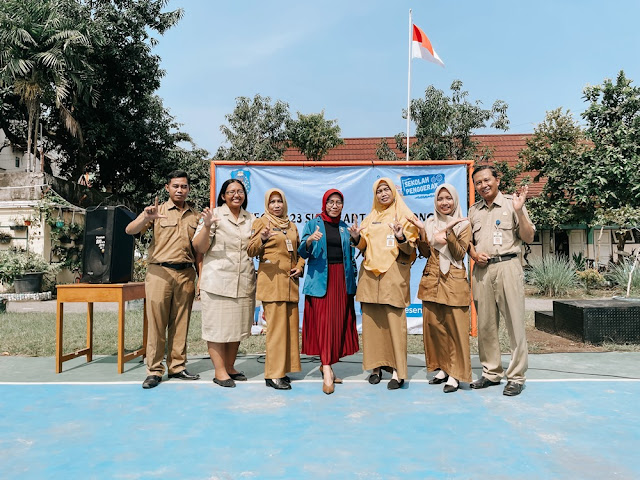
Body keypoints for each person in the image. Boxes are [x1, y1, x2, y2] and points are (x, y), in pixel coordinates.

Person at [125, 170, 201, 389]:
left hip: (186, 273)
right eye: (175, 186)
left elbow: (199, 251)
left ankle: (177, 366)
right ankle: (154, 370)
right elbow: (130, 230)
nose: (180, 190)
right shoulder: (155, 211)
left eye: (184, 186)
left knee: (181, 322)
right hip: (160, 272)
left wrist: (200, 277)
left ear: (188, 189)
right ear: (167, 188)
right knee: (157, 323)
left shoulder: (194, 216)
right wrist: (144, 218)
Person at [468, 165, 535, 397]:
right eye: (478, 182)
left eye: (487, 180)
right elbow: (468, 242)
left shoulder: (512, 203)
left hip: (508, 266)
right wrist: (474, 254)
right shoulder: (473, 211)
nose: (483, 185)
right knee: (485, 325)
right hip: (482, 271)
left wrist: (519, 211)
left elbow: (528, 236)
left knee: (515, 323)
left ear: (497, 180)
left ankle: (516, 377)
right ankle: (490, 372)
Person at [349, 178, 418, 390]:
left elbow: (411, 249)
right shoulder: (370, 218)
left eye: (386, 189)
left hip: (393, 275)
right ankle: (376, 368)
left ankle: (398, 371)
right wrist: (356, 238)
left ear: (393, 192)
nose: (383, 193)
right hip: (370, 277)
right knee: (372, 325)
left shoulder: (406, 216)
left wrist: (400, 236)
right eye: (379, 190)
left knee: (395, 325)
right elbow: (364, 245)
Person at [407, 184, 472, 393]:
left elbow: (460, 254)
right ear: (435, 202)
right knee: (435, 327)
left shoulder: (463, 224)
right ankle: (443, 368)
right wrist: (422, 232)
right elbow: (425, 253)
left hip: (453, 280)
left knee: (455, 329)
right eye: (440, 199)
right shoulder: (430, 223)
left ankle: (455, 374)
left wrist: (449, 232)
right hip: (431, 279)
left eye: (448, 198)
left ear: (455, 200)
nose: (444, 203)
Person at [192, 178, 256, 388]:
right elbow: (199, 247)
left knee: (235, 328)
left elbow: (255, 247)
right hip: (218, 281)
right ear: (223, 195)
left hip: (243, 281)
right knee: (218, 329)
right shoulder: (214, 215)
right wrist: (207, 225)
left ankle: (230, 367)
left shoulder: (251, 219)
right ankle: (219, 372)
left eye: (240, 191)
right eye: (231, 192)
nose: (236, 195)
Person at [299, 189, 359, 395]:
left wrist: (356, 238)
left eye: (338, 202)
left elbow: (352, 254)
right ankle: (326, 370)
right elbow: (301, 251)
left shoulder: (344, 228)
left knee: (336, 325)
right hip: (320, 281)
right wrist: (309, 241)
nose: (334, 206)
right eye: (331, 202)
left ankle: (329, 365)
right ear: (324, 204)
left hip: (341, 281)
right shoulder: (313, 224)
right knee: (323, 324)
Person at [247, 189, 304, 391]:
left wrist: (301, 265)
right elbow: (250, 250)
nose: (277, 205)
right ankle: (273, 374)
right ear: (267, 204)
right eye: (272, 202)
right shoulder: (262, 223)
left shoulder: (291, 225)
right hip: (272, 283)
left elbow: (299, 252)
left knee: (289, 330)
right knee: (277, 332)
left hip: (290, 284)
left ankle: (284, 370)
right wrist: (262, 238)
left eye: (280, 201)